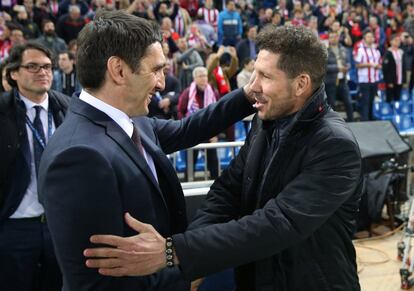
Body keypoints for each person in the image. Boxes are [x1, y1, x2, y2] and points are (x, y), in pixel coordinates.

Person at [84, 25, 363, 291]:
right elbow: (227, 192)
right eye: (254, 74)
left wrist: (175, 251)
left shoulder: (334, 144)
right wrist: (191, 263)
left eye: (265, 77)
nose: (253, 86)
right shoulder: (266, 120)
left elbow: (277, 224)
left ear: (301, 84)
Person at [38, 10, 255, 291]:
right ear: (118, 70)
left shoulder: (130, 120)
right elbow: (97, 284)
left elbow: (188, 129)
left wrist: (248, 95)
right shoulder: (79, 156)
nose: (163, 83)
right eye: (155, 70)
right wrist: (185, 273)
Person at [0, 42, 69, 291]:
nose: (43, 72)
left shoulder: (68, 109)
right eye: (32, 66)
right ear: (14, 72)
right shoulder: (2, 111)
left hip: (59, 225)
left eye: (47, 67)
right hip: (14, 227)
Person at [177, 66, 220, 179]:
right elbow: (180, 111)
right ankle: (188, 186)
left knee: (213, 161)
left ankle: (216, 184)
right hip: (193, 131)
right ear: (194, 78)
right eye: (200, 76)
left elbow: (219, 114)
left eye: (205, 76)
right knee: (191, 162)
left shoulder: (213, 92)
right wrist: (187, 128)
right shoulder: (188, 93)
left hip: (209, 132)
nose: (203, 79)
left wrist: (216, 133)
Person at [325, 30, 354, 121]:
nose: (333, 39)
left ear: (338, 38)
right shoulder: (325, 50)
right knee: (331, 105)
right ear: (329, 39)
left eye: (335, 37)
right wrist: (338, 68)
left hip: (343, 80)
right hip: (331, 81)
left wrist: (347, 67)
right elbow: (323, 66)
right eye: (331, 37)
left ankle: (352, 123)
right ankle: (332, 124)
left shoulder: (343, 49)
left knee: (349, 102)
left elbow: (349, 62)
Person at [354, 28, 381, 121]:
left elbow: (379, 64)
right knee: (365, 101)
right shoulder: (361, 50)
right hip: (364, 80)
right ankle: (364, 120)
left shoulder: (376, 51)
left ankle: (371, 118)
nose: (370, 38)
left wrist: (378, 66)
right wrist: (369, 64)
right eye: (368, 37)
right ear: (364, 39)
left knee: (372, 101)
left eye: (371, 37)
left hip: (374, 79)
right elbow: (357, 65)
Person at [383, 34, 406, 103]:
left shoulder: (401, 52)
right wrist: (389, 81)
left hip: (399, 79)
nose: (397, 42)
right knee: (389, 98)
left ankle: (397, 111)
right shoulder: (388, 53)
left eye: (399, 41)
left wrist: (404, 79)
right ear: (391, 42)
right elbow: (385, 68)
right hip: (391, 80)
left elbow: (403, 67)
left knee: (398, 98)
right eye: (396, 40)